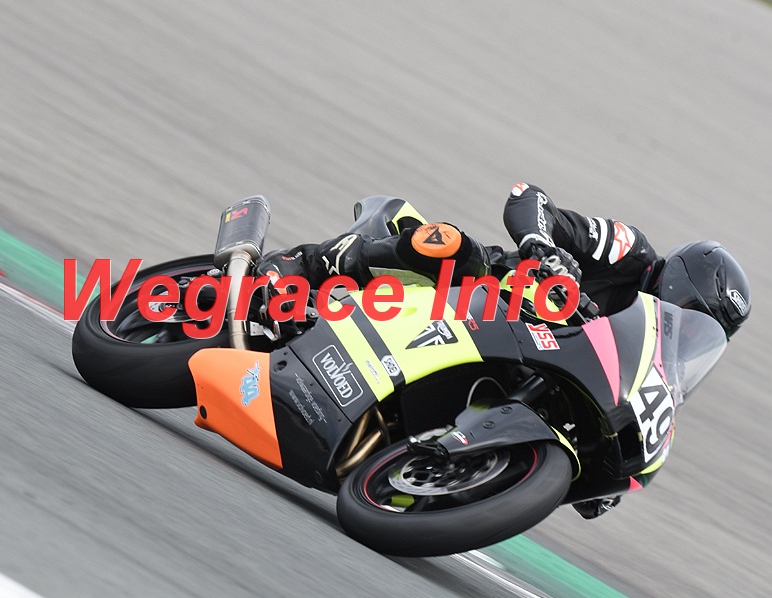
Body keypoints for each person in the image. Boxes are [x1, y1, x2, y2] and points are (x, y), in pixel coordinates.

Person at [256, 182, 752, 517]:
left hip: (537, 372)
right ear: (675, 286)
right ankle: (303, 265)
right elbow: (527, 197)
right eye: (692, 320)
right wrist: (542, 245)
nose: (688, 338)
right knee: (447, 245)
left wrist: (606, 464)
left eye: (701, 337)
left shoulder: (657, 360)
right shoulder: (630, 253)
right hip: (493, 298)